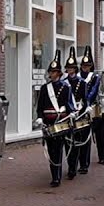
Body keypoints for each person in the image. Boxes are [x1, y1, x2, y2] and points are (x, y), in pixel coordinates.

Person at [35, 52, 74, 187]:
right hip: (48, 122)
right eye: (50, 72)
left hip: (61, 122)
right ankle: (54, 175)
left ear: (58, 73)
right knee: (51, 150)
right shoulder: (45, 88)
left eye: (53, 72)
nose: (51, 74)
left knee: (58, 149)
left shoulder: (65, 87)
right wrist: (40, 118)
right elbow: (40, 106)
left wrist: (71, 113)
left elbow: (68, 104)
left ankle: (57, 176)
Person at [63, 48, 90, 178]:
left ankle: (84, 164)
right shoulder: (64, 83)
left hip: (79, 113)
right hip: (68, 114)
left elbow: (85, 100)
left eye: (72, 68)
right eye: (68, 68)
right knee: (69, 142)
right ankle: (71, 167)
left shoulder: (82, 83)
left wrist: (85, 111)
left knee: (82, 141)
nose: (70, 70)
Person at [85, 55, 104, 166]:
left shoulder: (100, 77)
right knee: (97, 134)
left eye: (88, 65)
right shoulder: (91, 79)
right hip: (94, 110)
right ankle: (101, 156)